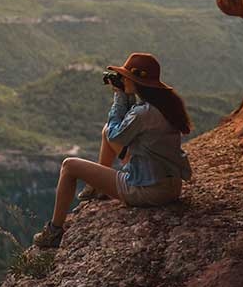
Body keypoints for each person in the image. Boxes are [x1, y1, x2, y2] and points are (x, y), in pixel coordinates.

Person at [33, 52, 193, 248]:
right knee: (106, 130)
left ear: (136, 81)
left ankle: (54, 232)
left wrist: (119, 96)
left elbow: (117, 135)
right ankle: (98, 189)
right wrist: (127, 95)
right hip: (169, 186)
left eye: (126, 77)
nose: (123, 79)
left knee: (68, 166)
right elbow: (118, 131)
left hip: (147, 191)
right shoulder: (161, 105)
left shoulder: (143, 113)